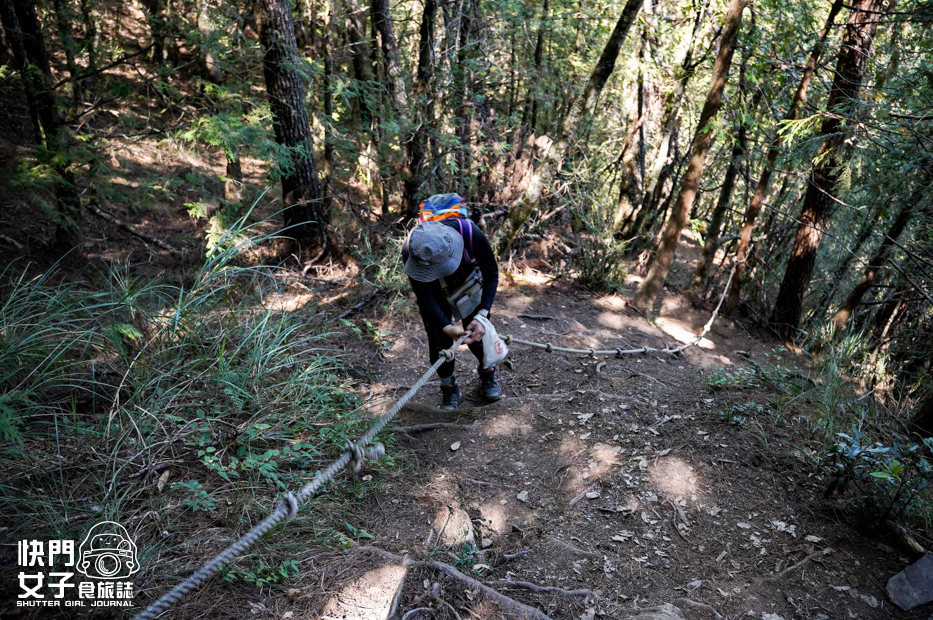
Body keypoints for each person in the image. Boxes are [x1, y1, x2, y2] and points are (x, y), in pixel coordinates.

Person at [403, 194, 501, 410]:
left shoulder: (470, 234)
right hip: (432, 287)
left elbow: (491, 274)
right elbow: (425, 297)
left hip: (466, 279)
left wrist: (482, 313)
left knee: (478, 331)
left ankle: (487, 373)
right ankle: (448, 387)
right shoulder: (411, 250)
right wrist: (447, 327)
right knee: (438, 341)